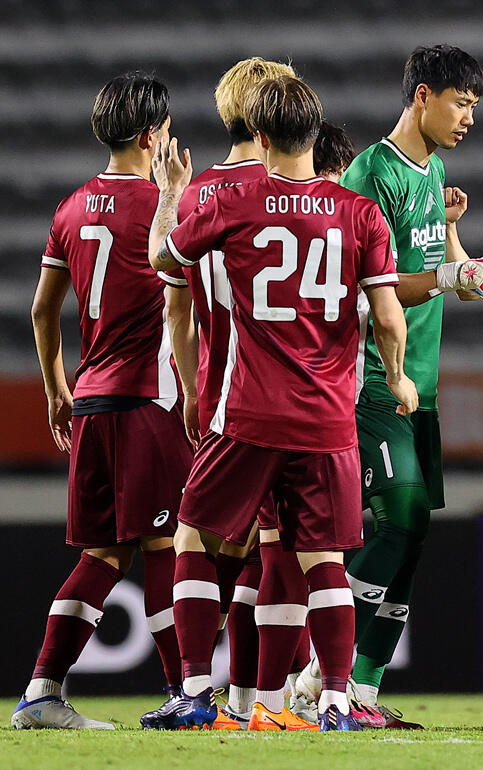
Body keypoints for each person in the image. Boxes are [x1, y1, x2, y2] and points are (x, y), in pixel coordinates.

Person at [144, 74, 421, 732]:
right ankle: (332, 698)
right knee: (322, 559)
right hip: (328, 420)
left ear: (261, 137)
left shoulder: (235, 202)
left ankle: (193, 692)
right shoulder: (360, 213)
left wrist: (170, 199)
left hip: (247, 412)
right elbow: (386, 314)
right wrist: (402, 378)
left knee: (193, 536)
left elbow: (164, 264)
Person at [288, 44, 483, 729]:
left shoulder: (433, 170)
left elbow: (452, 279)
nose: (469, 118)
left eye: (474, 106)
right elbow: (362, 284)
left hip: (422, 383)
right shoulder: (370, 174)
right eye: (460, 103)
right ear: (421, 97)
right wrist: (448, 279)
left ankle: (363, 694)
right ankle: (324, 672)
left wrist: (461, 250)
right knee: (398, 523)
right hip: (378, 379)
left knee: (410, 540)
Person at [13, 72, 192, 730]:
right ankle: (185, 695)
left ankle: (42, 692)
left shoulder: (69, 207)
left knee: (104, 553)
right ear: (152, 135)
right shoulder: (165, 206)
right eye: (167, 130)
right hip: (147, 399)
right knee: (166, 544)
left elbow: (40, 311)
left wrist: (57, 387)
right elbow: (184, 299)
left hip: (89, 398)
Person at [139, 55, 306, 732]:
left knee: (199, 541)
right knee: (279, 545)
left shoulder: (207, 191)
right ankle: (255, 702)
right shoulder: (310, 188)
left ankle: (196, 693)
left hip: (232, 392)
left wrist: (190, 389)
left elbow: (175, 306)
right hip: (309, 398)